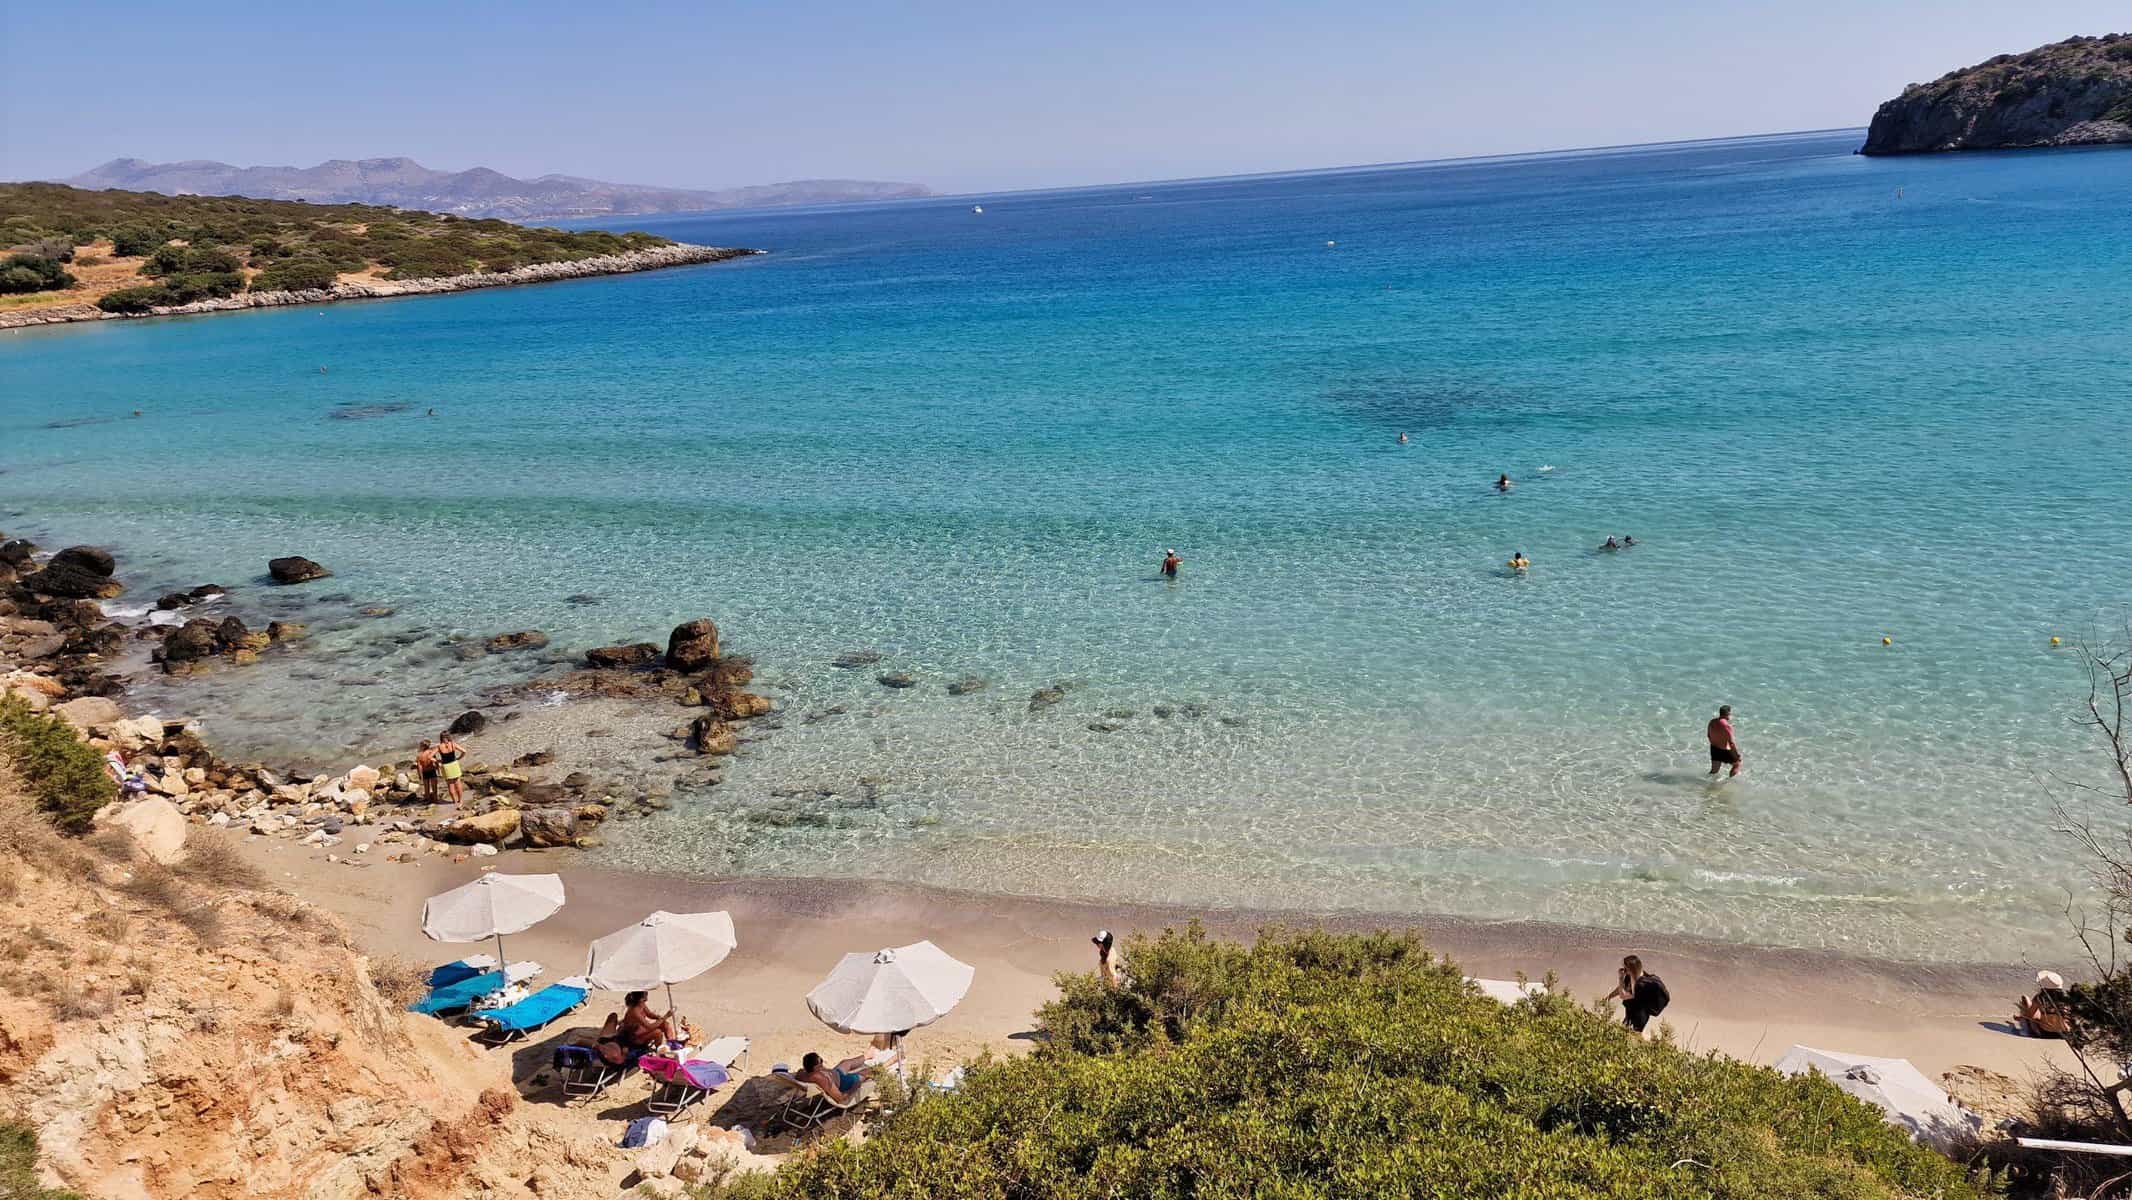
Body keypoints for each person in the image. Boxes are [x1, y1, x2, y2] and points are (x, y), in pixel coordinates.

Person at [1607, 955, 1670, 1034]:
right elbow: (1622, 987)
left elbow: (1623, 995)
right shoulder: (1632, 976)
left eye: (1626, 968)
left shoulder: (1642, 984)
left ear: (1631, 969)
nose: (1624, 970)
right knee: (1625, 1031)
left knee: (1633, 1033)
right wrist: (1609, 997)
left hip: (1640, 1014)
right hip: (1632, 1010)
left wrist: (1620, 978)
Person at [2016, 971, 2073, 1039]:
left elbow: (2030, 1015)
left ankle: (2025, 1031)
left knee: (2025, 999)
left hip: (2044, 1033)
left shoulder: (2040, 997)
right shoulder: (2066, 999)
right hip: (2064, 1034)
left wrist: (2021, 1017)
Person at [799, 1051, 865, 1103]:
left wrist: (827, 1071)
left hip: (836, 1074)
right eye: (821, 1062)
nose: (822, 1064)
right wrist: (854, 1087)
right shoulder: (823, 1080)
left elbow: (799, 1074)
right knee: (867, 1071)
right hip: (843, 1082)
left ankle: (868, 1055)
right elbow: (840, 1098)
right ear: (815, 1067)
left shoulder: (802, 1073)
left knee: (846, 1062)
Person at [1706, 705, 1742, 778]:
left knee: (1714, 771)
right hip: (1724, 750)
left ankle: (1705, 783)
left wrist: (1715, 744)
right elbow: (1731, 743)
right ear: (1728, 713)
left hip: (1714, 748)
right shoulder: (1726, 726)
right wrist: (1736, 754)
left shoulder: (1712, 722)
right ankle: (1728, 782)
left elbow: (1709, 735)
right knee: (1737, 764)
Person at [436, 732, 467, 803]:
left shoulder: (439, 747)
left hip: (446, 766)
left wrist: (438, 761)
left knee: (450, 785)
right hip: (454, 764)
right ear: (449, 736)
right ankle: (460, 800)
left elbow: (429, 757)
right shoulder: (453, 744)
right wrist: (459, 758)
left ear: (441, 738)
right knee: (458, 783)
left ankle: (454, 801)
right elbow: (464, 751)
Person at [414, 739, 441, 804]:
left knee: (426, 788)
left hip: (425, 772)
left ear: (422, 747)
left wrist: (420, 775)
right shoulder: (431, 752)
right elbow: (435, 762)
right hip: (432, 770)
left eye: (420, 746)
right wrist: (438, 771)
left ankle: (428, 800)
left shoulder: (419, 756)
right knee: (434, 787)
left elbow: (419, 767)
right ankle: (435, 799)